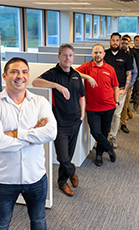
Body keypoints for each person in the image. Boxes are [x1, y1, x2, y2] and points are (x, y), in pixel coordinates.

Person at [0, 57, 57, 229]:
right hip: (4, 179)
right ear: (4, 75)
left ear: (28, 75)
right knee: (1, 223)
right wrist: (33, 137)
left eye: (24, 72)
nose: (19, 76)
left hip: (35, 177)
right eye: (14, 71)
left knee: (38, 220)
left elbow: (51, 132)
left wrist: (16, 134)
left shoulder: (40, 102)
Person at [32, 44, 94, 196]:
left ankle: (62, 182)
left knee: (69, 154)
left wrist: (82, 114)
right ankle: (71, 172)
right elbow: (35, 82)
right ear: (59, 56)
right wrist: (56, 86)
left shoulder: (76, 75)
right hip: (59, 123)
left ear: (73, 58)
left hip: (75, 121)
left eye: (70, 55)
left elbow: (82, 95)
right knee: (62, 156)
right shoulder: (53, 73)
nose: (67, 58)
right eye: (64, 55)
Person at [76, 44, 119, 166]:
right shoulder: (87, 67)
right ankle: (109, 148)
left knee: (104, 132)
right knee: (95, 131)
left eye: (100, 52)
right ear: (92, 54)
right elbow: (74, 72)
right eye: (95, 52)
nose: (98, 55)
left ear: (104, 54)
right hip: (92, 107)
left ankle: (99, 154)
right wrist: (87, 77)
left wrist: (116, 102)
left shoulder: (110, 69)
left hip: (109, 106)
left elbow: (115, 87)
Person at [104, 32, 133, 148]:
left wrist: (125, 89)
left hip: (120, 90)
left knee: (116, 115)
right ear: (110, 41)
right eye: (113, 40)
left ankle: (113, 137)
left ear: (120, 42)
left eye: (117, 40)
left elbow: (128, 73)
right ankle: (103, 137)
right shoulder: (104, 54)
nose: (115, 42)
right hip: (106, 90)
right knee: (105, 115)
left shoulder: (126, 56)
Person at [120, 36, 138, 133]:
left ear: (129, 45)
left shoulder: (130, 57)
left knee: (124, 105)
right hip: (115, 86)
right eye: (122, 43)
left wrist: (130, 84)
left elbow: (135, 71)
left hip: (126, 86)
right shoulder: (115, 55)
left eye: (126, 43)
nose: (124, 45)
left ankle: (123, 123)